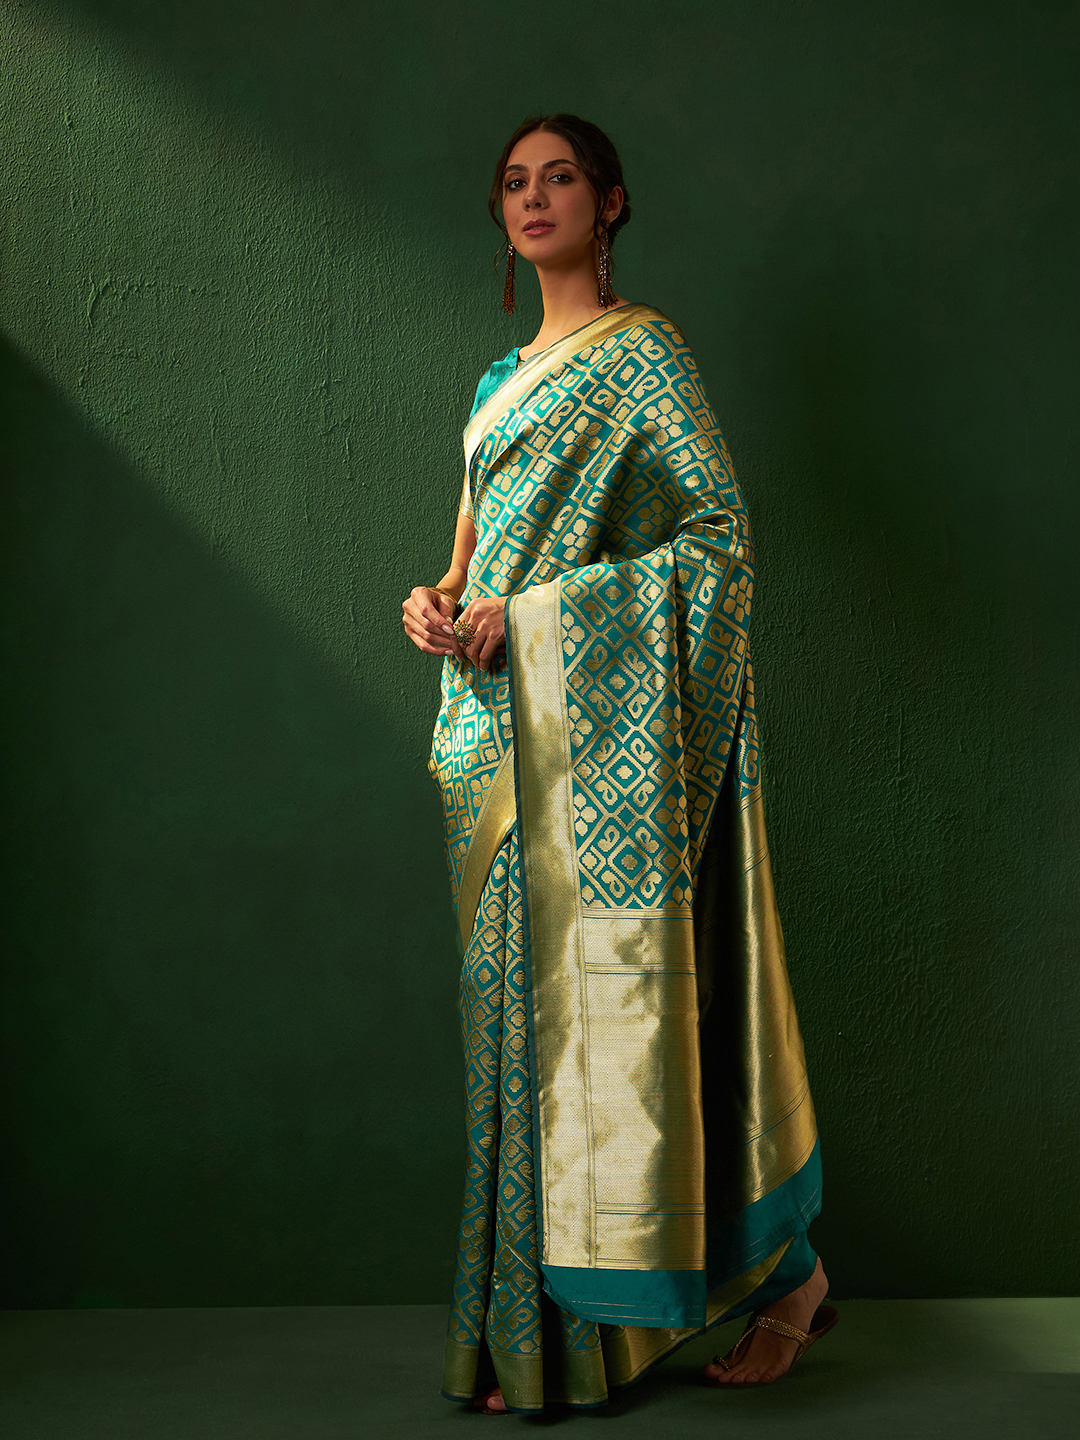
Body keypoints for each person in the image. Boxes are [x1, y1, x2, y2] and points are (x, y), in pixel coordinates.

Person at [402, 113, 837, 1416]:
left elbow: (719, 546)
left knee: (602, 1027)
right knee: (510, 1045)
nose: (534, 199)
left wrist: (540, 620)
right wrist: (434, 604)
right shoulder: (498, 382)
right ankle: (534, 1333)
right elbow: (467, 561)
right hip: (486, 739)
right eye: (514, 183)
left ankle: (771, 1287)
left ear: (611, 202)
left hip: (584, 741)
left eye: (560, 180)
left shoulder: (644, 358)